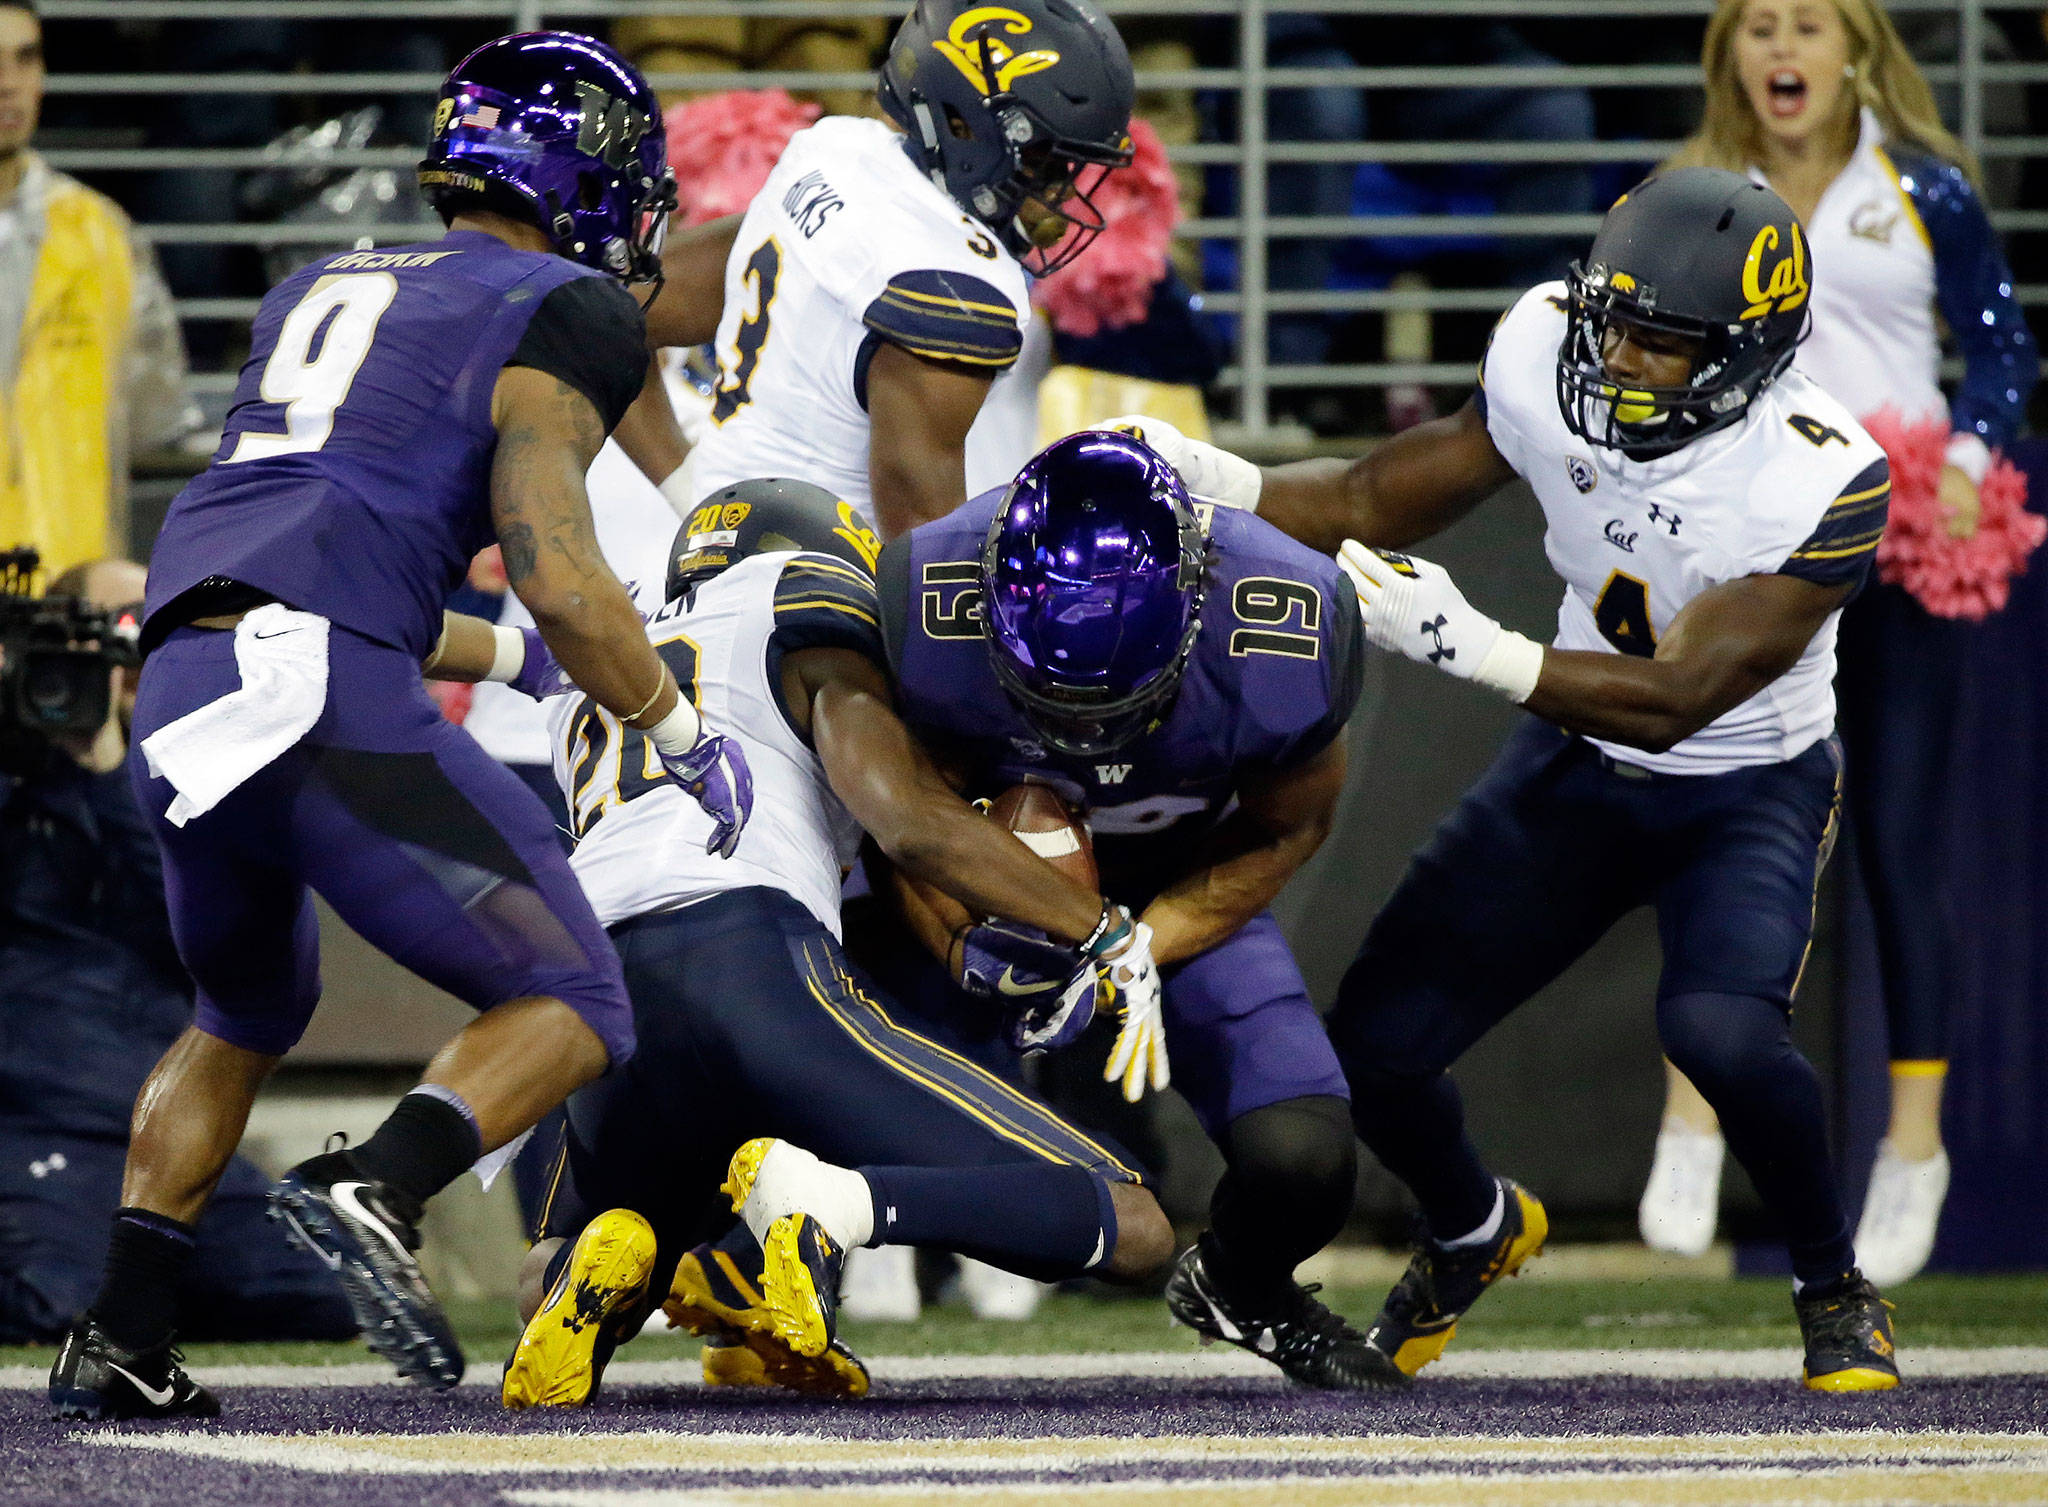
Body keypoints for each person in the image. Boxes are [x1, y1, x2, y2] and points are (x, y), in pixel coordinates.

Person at [48, 33, 754, 1423]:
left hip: (184, 668)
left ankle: (122, 1331)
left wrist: (516, 670)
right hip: (308, 676)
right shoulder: (564, 302)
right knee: (576, 996)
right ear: (581, 178)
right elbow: (558, 563)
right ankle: (381, 1179)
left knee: (246, 1004)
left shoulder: (325, 280)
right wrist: (665, 720)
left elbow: (325, 548)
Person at [1126, 169, 1903, 1392]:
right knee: (1377, 1048)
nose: (1620, 360)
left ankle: (1831, 1282)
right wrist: (1212, 482)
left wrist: (1479, 651)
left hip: (1740, 784)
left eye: (1661, 343)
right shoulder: (1549, 352)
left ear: (1748, 357)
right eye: (1615, 324)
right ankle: (1472, 1229)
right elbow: (1377, 495)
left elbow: (1681, 699)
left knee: (1715, 1028)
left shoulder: (1819, 477)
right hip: (1572, 762)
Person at [481, 478, 1175, 1408]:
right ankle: (837, 1206)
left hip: (596, 1001)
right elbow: (906, 823)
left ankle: (622, 1259)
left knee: (553, 1269)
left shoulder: (597, 667)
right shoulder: (800, 594)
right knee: (1135, 1224)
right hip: (750, 954)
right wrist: (1095, 929)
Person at [1639, 0, 2039, 1285]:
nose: (1779, 49)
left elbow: (1997, 349)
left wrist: (1973, 455)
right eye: (1757, 26)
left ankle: (1911, 1147)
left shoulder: (1922, 187)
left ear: (1852, 50)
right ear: (1730, 57)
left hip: (1907, 528)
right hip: (1754, 539)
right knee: (1716, 808)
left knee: (1895, 843)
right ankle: (1688, 1110)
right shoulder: (1696, 193)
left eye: (1805, 23)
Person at [864, 429, 1389, 1391]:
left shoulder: (1286, 619)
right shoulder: (926, 591)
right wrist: (961, 944)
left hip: (1172, 879)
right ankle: (744, 1269)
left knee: (1306, 1160)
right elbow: (906, 818)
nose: (1078, 729)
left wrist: (1145, 943)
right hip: (984, 874)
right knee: (811, 1070)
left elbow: (1288, 827)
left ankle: (1243, 1286)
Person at [0, 559, 352, 1348]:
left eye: (149, 622)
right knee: (49, 1303)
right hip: (38, 1115)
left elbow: (199, 936)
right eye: (116, 624)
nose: (135, 646)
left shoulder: (180, 772)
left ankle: (132, 1275)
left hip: (161, 1113)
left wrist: (101, 765)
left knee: (312, 1300)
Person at [644, 0, 1138, 540]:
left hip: (717, 557)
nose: (1063, 191)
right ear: (963, 126)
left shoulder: (834, 148)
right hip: (816, 603)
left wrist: (684, 484)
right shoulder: (954, 285)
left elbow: (614, 310)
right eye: (1047, 162)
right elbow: (924, 571)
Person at [0, 0, 199, 576]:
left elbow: (158, 424)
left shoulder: (102, 235)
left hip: (66, 608)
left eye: (25, 59)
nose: (8, 84)